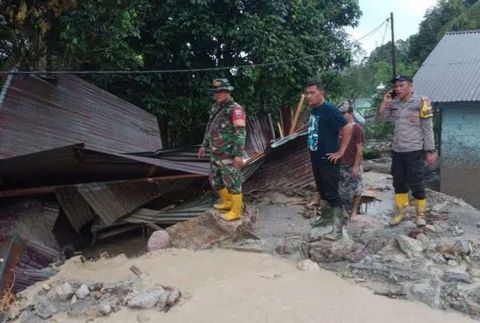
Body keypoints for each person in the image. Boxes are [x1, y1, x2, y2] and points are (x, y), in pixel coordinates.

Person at [377, 75, 436, 227]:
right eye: (396, 86)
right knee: (399, 182)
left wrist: (430, 151)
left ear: (411, 86)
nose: (397, 88)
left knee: (416, 182)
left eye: (401, 85)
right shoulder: (394, 104)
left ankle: (420, 214)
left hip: (414, 150)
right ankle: (401, 212)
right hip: (397, 150)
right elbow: (381, 120)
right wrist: (385, 103)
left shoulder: (421, 102)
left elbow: (427, 128)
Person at [305, 80, 353, 240]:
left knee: (332, 194)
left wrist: (340, 151)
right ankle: (325, 218)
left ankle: (338, 229)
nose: (308, 96)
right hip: (316, 158)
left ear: (321, 93)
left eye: (312, 93)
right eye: (307, 93)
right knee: (322, 191)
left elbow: (347, 127)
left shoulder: (329, 109)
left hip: (328, 159)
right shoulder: (315, 110)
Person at [198, 78, 247, 221]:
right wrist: (203, 145)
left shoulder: (235, 109)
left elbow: (241, 132)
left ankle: (236, 210)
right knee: (215, 179)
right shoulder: (215, 107)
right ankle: (227, 202)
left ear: (228, 92)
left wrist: (238, 154)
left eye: (220, 92)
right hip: (215, 151)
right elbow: (210, 127)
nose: (217, 95)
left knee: (233, 181)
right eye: (215, 92)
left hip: (228, 152)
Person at [338, 100, 365, 222]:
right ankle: (343, 211)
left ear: (350, 113)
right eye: (340, 114)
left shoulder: (356, 129)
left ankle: (354, 212)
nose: (342, 116)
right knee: (341, 188)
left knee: (357, 188)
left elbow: (359, 149)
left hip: (352, 162)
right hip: (341, 163)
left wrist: (356, 166)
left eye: (344, 114)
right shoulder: (339, 128)